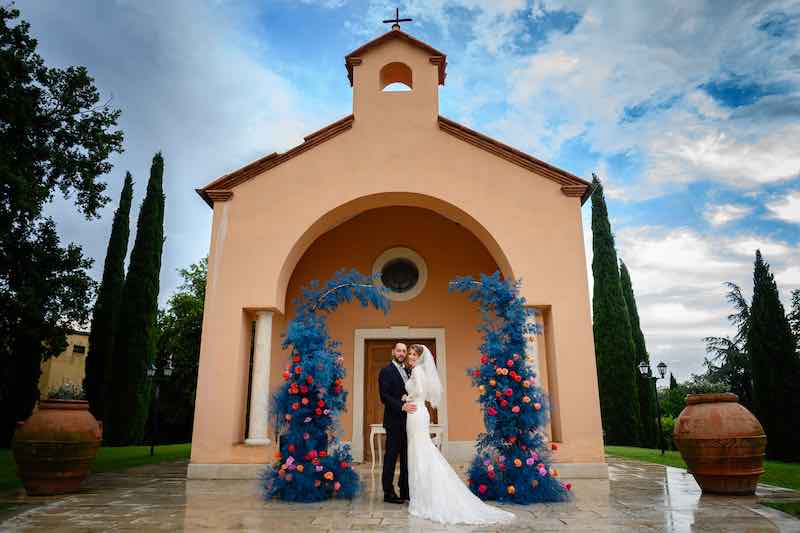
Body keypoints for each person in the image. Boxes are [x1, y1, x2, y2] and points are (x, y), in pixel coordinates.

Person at [402, 344, 515, 525]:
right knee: (420, 450)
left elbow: (420, 392)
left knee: (419, 451)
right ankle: (422, 495)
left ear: (420, 357)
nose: (411, 357)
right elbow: (421, 392)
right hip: (419, 411)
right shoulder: (419, 370)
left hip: (416, 412)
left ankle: (422, 499)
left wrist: (407, 397)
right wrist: (409, 396)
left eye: (414, 354)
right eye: (410, 354)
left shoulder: (416, 371)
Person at [377, 342, 416, 504]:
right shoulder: (386, 371)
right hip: (393, 421)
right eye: (399, 350)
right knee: (391, 458)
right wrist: (402, 405)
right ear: (393, 352)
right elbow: (384, 396)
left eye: (404, 351)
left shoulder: (409, 370)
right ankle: (388, 492)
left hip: (409, 422)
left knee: (407, 458)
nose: (401, 353)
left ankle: (405, 490)